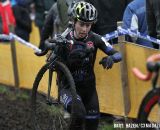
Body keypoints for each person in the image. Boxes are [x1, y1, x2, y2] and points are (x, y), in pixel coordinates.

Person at [38, 1, 122, 130]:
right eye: (82, 24)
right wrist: (52, 52)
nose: (84, 29)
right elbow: (52, 63)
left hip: (89, 90)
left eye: (88, 25)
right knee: (79, 114)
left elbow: (118, 55)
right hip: (68, 89)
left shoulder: (95, 38)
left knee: (92, 124)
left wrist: (111, 58)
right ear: (74, 21)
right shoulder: (64, 39)